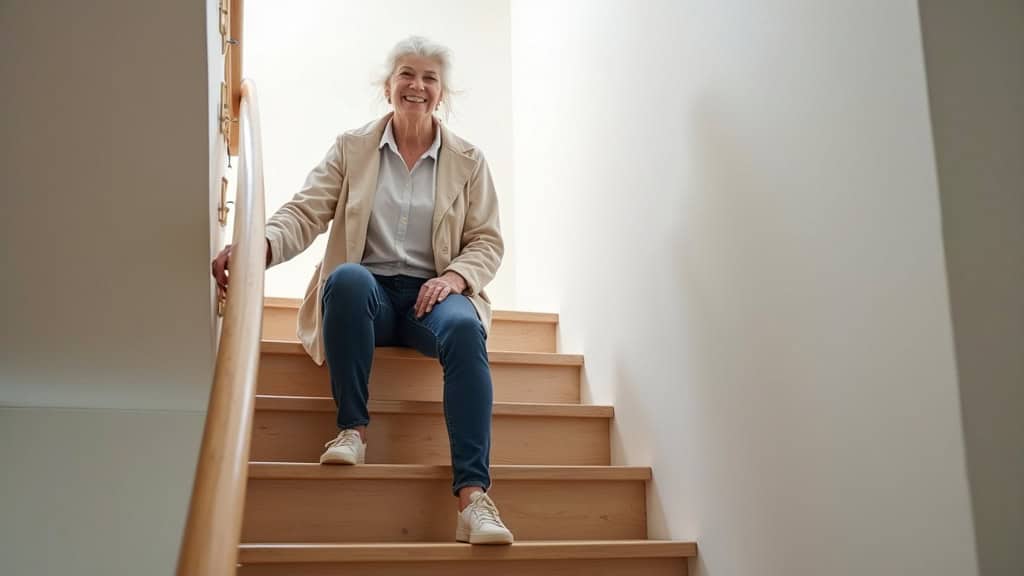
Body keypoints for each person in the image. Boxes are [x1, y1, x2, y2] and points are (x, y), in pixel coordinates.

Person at [211, 36, 513, 545]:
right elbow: (305, 211)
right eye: (406, 74)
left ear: (443, 93)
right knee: (347, 278)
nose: (417, 85)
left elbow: (486, 240)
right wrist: (256, 246)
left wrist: (455, 278)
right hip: (366, 296)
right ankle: (353, 430)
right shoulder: (353, 148)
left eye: (429, 78)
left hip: (430, 300)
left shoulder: (469, 160)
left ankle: (473, 500)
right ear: (388, 85)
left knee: (465, 327)